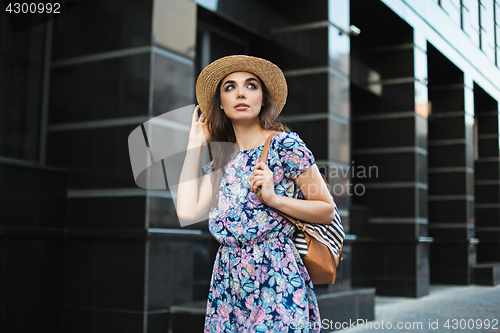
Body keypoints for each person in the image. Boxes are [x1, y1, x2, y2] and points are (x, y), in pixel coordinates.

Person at [176, 55, 337, 332]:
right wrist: (194, 145)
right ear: (222, 105)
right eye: (230, 87)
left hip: (276, 276)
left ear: (263, 99)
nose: (240, 93)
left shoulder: (285, 145)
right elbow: (187, 211)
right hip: (227, 281)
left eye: (251, 86)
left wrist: (274, 199)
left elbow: (326, 209)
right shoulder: (221, 160)